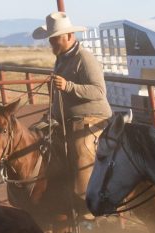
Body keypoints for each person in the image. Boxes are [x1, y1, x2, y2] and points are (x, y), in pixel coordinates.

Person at [33, 11, 111, 219]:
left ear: (69, 36)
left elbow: (98, 91)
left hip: (92, 119)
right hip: (66, 120)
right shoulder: (61, 59)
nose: (52, 43)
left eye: (55, 38)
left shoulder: (84, 58)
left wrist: (68, 86)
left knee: (80, 150)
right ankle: (58, 202)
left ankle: (89, 209)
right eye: (51, 39)